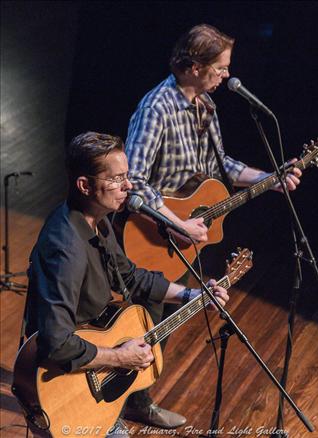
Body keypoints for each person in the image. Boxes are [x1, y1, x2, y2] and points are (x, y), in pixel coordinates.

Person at [24, 132, 230, 437]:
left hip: (93, 355)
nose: (129, 186)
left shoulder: (98, 220)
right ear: (84, 185)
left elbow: (133, 278)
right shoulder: (66, 248)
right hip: (68, 378)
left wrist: (193, 295)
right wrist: (120, 357)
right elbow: (56, 342)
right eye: (117, 179)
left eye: (128, 176)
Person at [125, 24, 302, 243]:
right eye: (220, 68)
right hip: (151, 236)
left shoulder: (206, 105)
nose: (227, 75)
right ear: (196, 68)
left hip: (188, 237)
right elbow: (132, 181)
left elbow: (218, 164)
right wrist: (177, 226)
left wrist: (268, 179)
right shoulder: (157, 109)